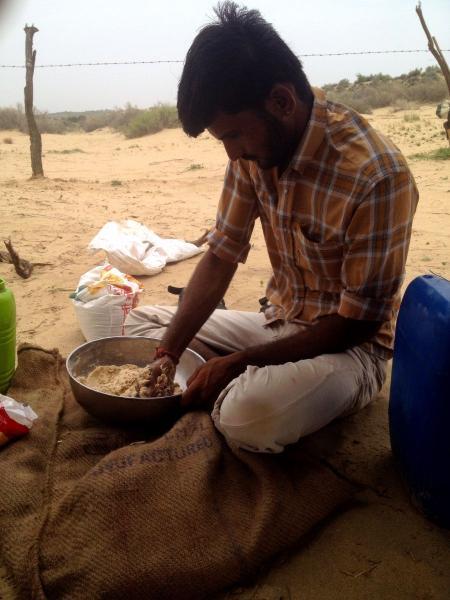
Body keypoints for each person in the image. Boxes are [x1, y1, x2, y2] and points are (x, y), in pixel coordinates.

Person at [125, 1, 419, 453]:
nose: (231, 154)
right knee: (138, 327)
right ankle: (230, 377)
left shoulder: (376, 176)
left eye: (233, 136)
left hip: (349, 352)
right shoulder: (255, 154)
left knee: (247, 418)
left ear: (281, 101)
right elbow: (221, 254)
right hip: (277, 323)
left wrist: (241, 361)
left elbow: (356, 325)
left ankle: (239, 384)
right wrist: (167, 356)